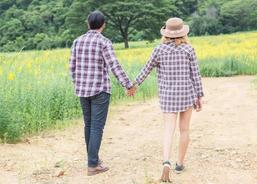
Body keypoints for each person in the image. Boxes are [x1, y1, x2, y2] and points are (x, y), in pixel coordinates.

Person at [134, 17, 204, 182]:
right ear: (183, 33)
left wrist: (134, 84)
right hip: (186, 94)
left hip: (167, 96)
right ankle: (179, 164)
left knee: (168, 130)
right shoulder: (189, 49)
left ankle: (166, 162)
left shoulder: (159, 50)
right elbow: (196, 75)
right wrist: (199, 95)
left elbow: (146, 69)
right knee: (184, 130)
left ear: (166, 33)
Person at [69, 10, 136, 176]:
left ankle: (94, 160)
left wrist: (78, 84)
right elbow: (114, 65)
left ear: (88, 23)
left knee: (89, 125)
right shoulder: (104, 42)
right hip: (100, 90)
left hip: (82, 91)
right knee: (97, 127)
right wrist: (128, 85)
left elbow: (72, 67)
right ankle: (92, 165)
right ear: (103, 25)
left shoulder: (77, 41)